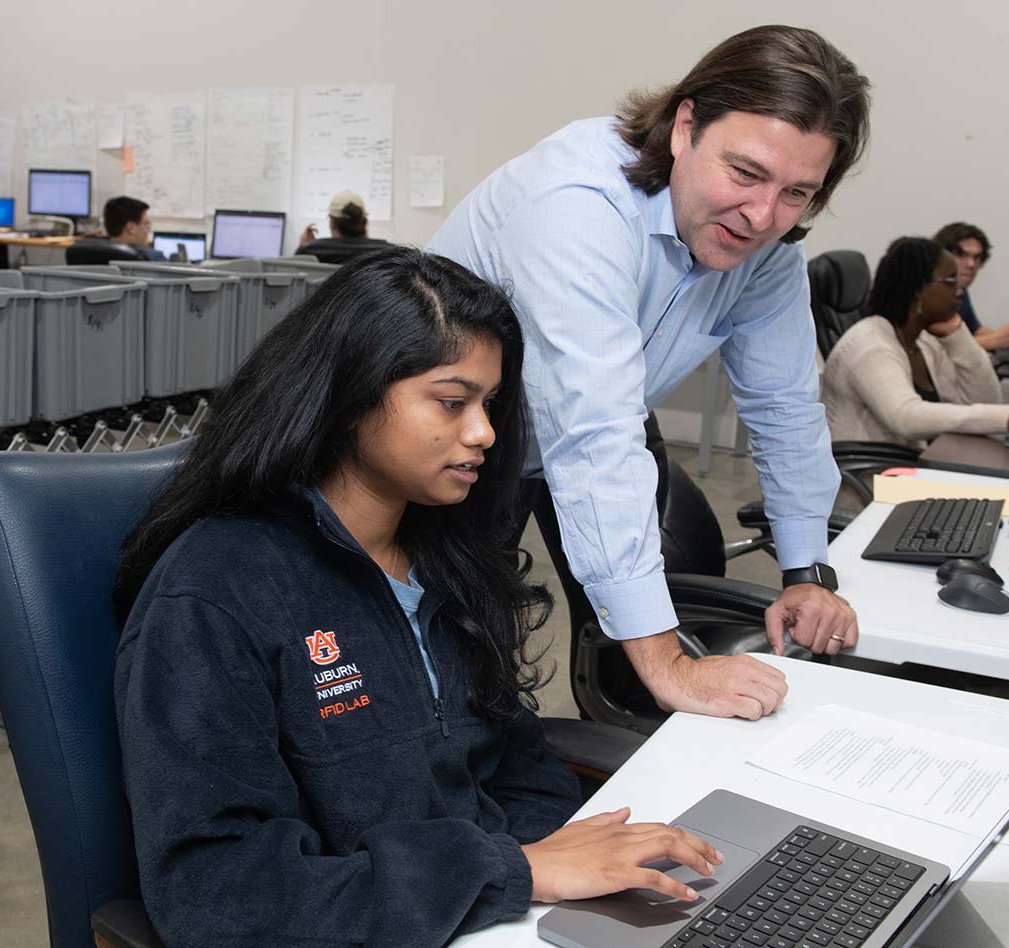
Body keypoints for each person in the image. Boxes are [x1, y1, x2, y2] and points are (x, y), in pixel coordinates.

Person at [112, 247, 724, 948]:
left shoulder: (444, 558)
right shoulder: (217, 591)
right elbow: (219, 891)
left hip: (489, 918)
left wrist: (562, 877)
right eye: (452, 401)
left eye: (490, 404)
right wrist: (517, 872)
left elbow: (517, 763)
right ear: (350, 397)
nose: (485, 433)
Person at [428, 25, 871, 721]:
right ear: (685, 126)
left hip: (584, 418)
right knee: (449, 671)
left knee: (646, 659)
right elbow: (593, 434)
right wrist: (670, 667)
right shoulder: (577, 203)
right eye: (746, 173)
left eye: (796, 193)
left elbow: (786, 406)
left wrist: (806, 573)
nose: (762, 216)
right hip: (451, 448)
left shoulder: (767, 249)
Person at [822, 236, 1009, 449]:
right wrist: (1004, 418)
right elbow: (906, 417)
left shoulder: (924, 342)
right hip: (872, 476)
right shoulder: (870, 346)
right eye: (951, 281)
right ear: (919, 289)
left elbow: (985, 400)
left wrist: (957, 334)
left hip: (910, 468)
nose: (959, 290)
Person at [933, 222, 1009, 352]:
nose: (971, 264)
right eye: (961, 254)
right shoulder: (930, 294)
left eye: (977, 257)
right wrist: (996, 340)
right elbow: (935, 348)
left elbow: (975, 330)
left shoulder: (961, 291)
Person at [295, 190, 390, 264]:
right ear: (364, 223)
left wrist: (304, 246)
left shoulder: (309, 252)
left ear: (332, 223)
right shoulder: (389, 254)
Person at [101, 196, 165, 260]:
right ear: (131, 228)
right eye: (146, 224)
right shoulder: (154, 257)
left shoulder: (95, 252)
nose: (148, 230)